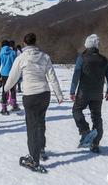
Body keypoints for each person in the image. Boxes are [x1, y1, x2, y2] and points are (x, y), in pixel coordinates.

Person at [4, 33, 64, 173]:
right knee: (40, 121)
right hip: (44, 94)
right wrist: (59, 95)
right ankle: (41, 147)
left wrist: (6, 89)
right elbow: (52, 77)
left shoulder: (21, 58)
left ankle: (34, 159)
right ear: (35, 42)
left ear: (24, 43)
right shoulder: (45, 57)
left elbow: (13, 77)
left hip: (30, 95)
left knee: (32, 126)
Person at [69, 34, 108, 154]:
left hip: (83, 92)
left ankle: (84, 131)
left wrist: (72, 91)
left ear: (87, 45)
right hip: (97, 94)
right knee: (96, 116)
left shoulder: (81, 58)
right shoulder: (104, 59)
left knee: (76, 110)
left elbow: (76, 76)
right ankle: (95, 144)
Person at [0, 40, 19, 115]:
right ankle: (14, 105)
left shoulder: (0, 53)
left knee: (4, 90)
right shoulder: (13, 52)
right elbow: (16, 63)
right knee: (13, 89)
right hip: (12, 73)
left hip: (3, 74)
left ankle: (4, 108)